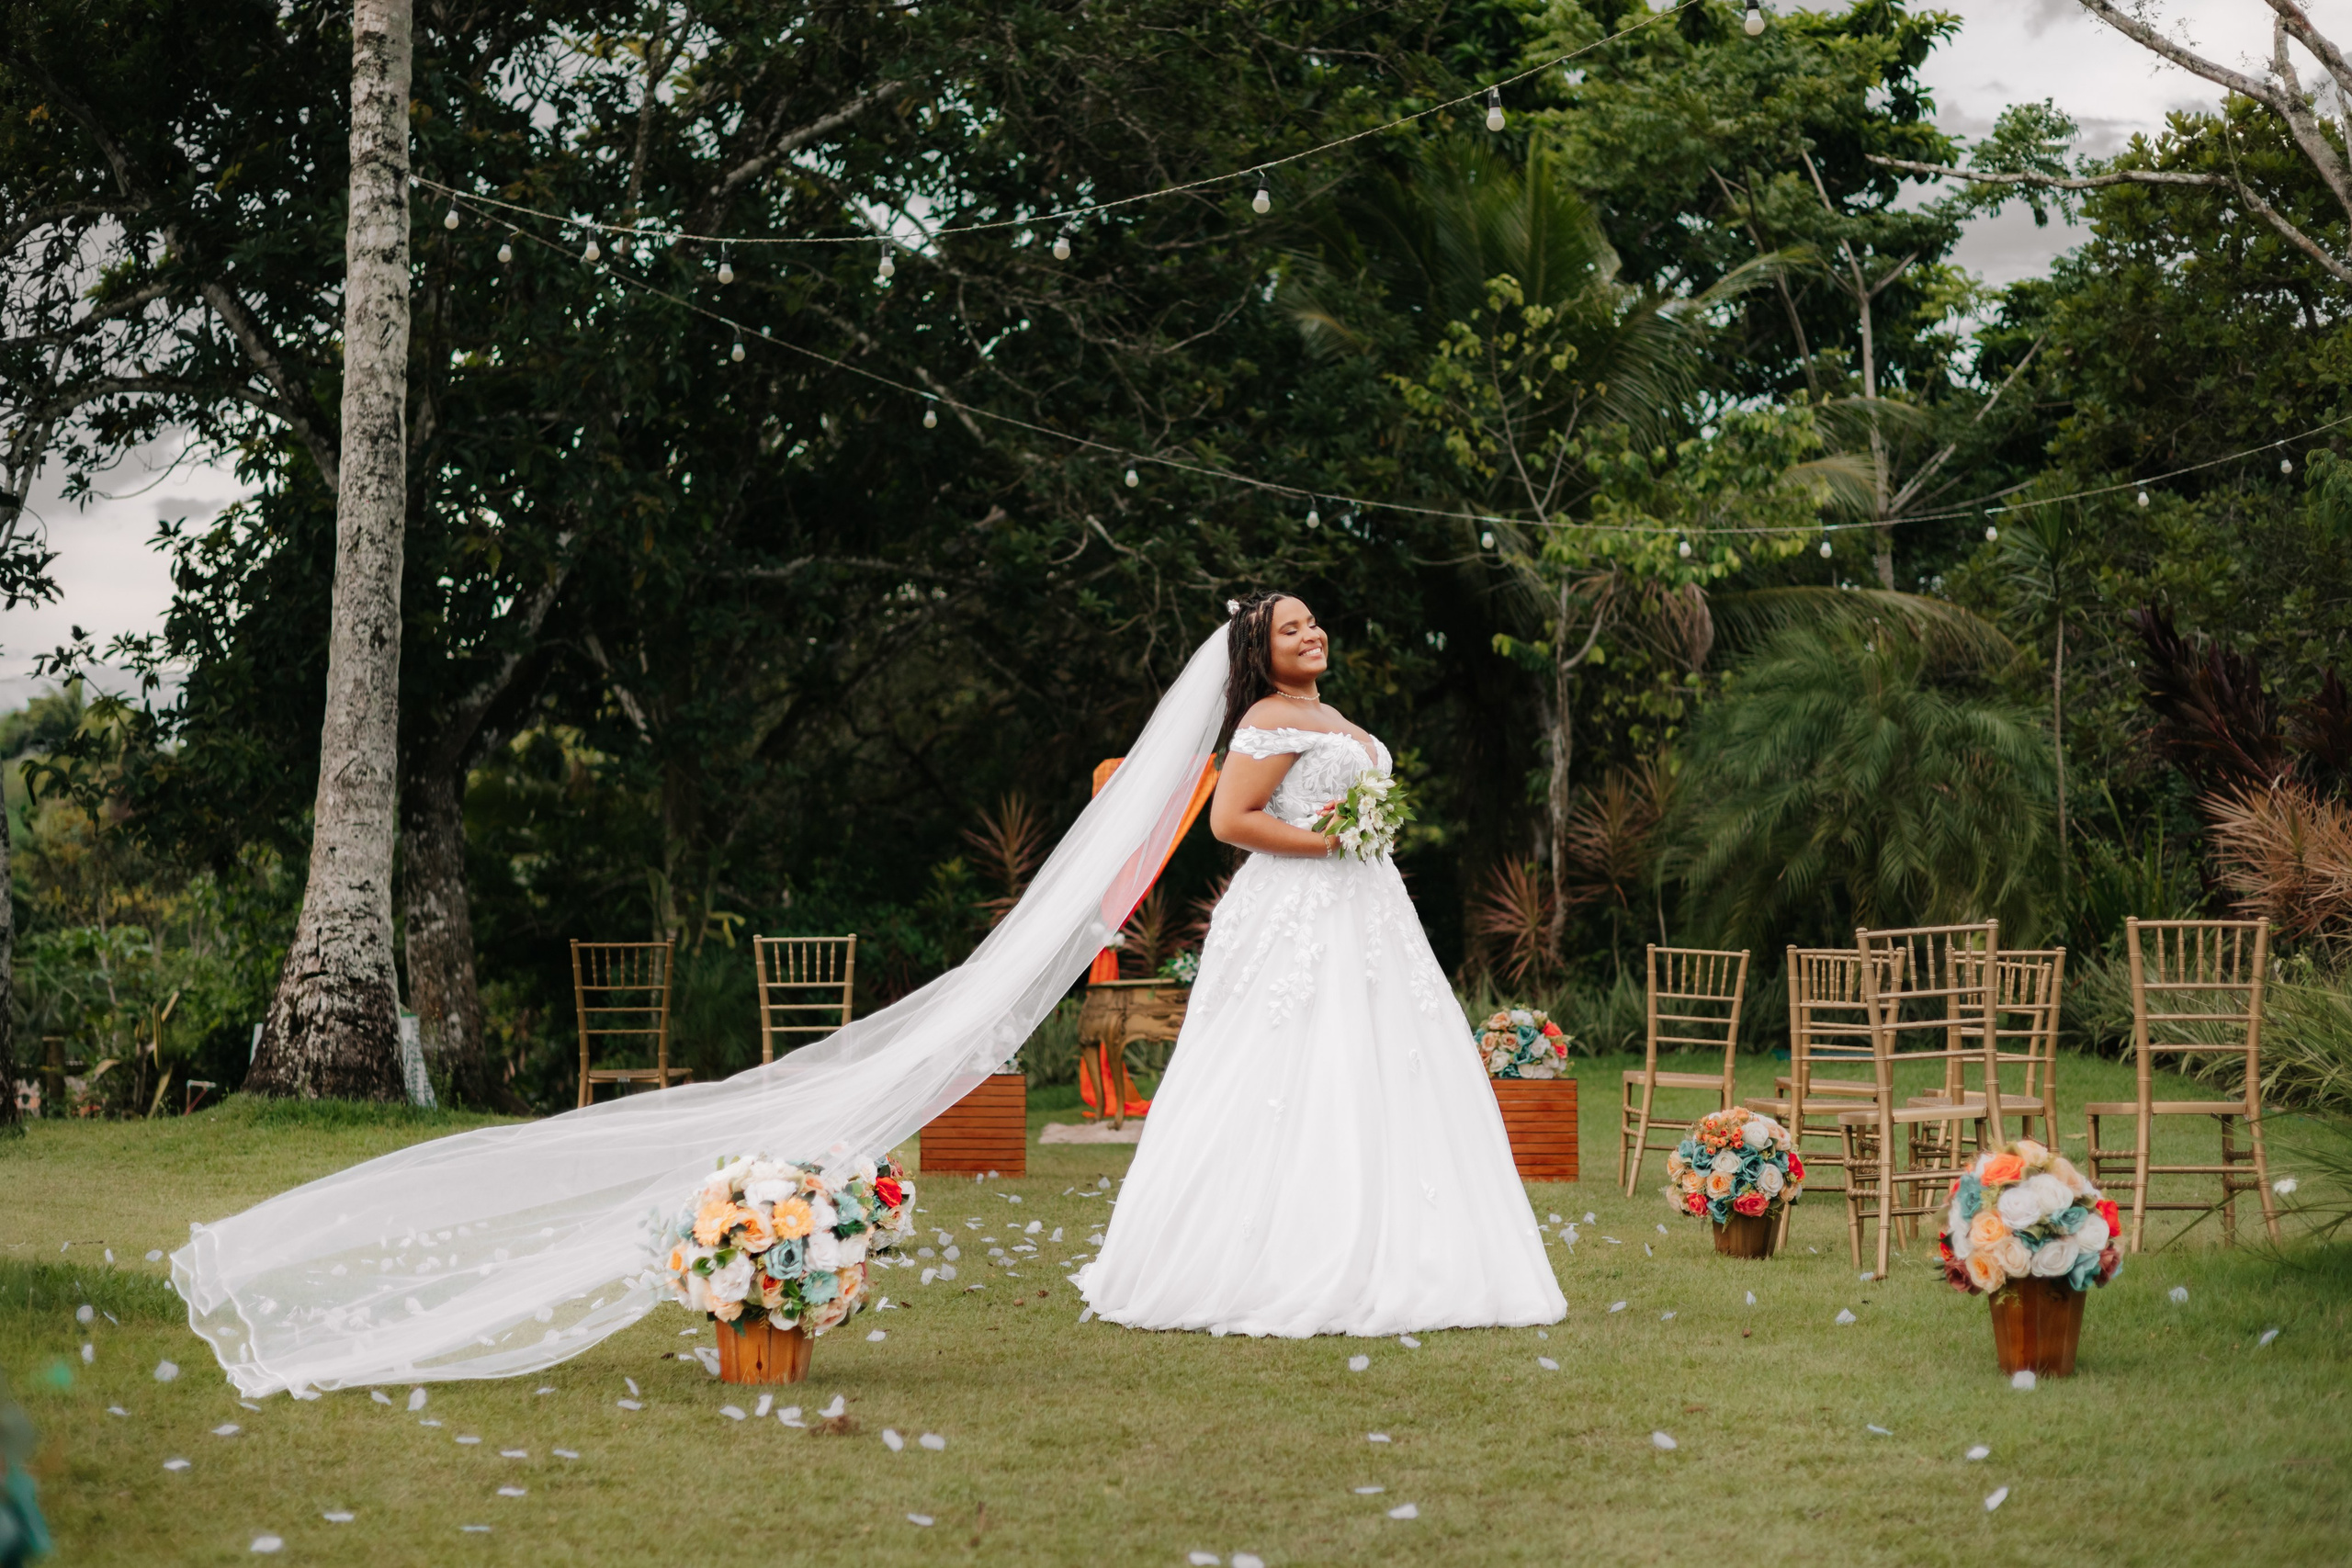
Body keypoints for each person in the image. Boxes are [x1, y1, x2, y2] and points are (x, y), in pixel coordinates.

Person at [1077, 592, 1565, 1336]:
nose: (1311, 634)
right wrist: (1333, 843)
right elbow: (1230, 819)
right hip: (1300, 912)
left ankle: (1410, 1246)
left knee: (1391, 1061)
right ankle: (1273, 1254)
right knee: (1295, 1062)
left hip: (1369, 909)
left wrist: (1364, 839)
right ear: (1260, 652)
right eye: (1290, 629)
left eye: (1311, 622)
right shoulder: (1266, 718)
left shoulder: (1329, 715)